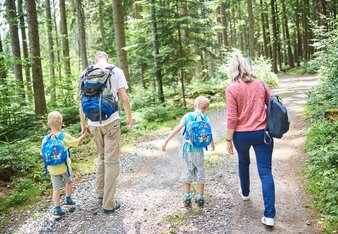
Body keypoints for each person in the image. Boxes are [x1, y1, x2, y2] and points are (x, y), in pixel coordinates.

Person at [79, 51, 133, 215]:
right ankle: (108, 204)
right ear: (107, 59)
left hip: (93, 123)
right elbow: (123, 98)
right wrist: (129, 117)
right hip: (111, 121)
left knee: (101, 157)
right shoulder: (116, 71)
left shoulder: (85, 73)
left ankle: (100, 193)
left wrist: (83, 124)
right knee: (111, 161)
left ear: (95, 60)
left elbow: (81, 101)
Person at [225, 54, 275, 227]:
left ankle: (245, 193)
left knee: (243, 162)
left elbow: (232, 118)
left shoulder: (231, 89)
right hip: (263, 133)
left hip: (241, 135)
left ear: (231, 70)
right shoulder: (260, 83)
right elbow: (272, 104)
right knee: (265, 172)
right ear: (247, 67)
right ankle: (269, 216)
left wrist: (228, 139)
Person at [162, 96, 215, 208]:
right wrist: (212, 145)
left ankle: (187, 196)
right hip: (199, 150)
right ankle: (200, 197)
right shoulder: (206, 118)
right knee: (200, 171)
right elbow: (209, 133)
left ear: (195, 105)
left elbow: (177, 128)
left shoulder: (188, 116)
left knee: (187, 170)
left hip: (187, 149)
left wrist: (166, 140)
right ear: (206, 108)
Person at [42, 111, 88, 220]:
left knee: (56, 188)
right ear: (60, 123)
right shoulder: (63, 136)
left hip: (52, 169)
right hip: (64, 167)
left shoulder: (45, 139)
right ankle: (68, 200)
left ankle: (57, 210)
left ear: (49, 123)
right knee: (69, 181)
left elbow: (42, 153)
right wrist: (85, 134)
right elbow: (77, 142)